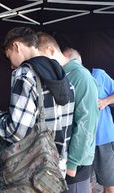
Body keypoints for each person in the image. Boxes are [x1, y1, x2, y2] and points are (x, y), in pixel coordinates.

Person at [0, 27, 75, 178]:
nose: (11, 65)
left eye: (9, 57)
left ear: (16, 46)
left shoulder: (24, 74)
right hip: (56, 169)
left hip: (33, 171)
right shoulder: (61, 73)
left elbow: (16, 132)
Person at [37, 32, 99, 193]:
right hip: (57, 161)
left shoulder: (81, 77)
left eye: (40, 58)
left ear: (51, 50)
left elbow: (87, 123)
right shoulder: (60, 76)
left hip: (75, 165)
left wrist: (72, 164)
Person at [63, 48, 114, 193]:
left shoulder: (98, 74)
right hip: (80, 143)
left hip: (102, 139)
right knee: (85, 185)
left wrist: (105, 101)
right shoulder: (65, 80)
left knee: (109, 183)